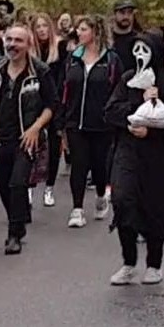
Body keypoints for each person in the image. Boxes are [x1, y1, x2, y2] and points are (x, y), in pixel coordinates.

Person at [105, 33, 164, 285]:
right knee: (122, 199)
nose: (140, 55)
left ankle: (154, 262)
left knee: (153, 207)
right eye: (136, 50)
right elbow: (109, 112)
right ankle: (129, 261)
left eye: (145, 50)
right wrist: (133, 112)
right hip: (127, 151)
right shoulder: (128, 80)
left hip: (157, 156)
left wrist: (150, 131)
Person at [0, 24, 56, 255]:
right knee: (3, 185)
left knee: (18, 182)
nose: (12, 45)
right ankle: (19, 220)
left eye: (18, 41)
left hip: (25, 138)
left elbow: (52, 105)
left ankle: (14, 235)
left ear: (28, 45)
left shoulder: (40, 71)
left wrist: (35, 128)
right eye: (9, 40)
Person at [60, 15, 122, 228]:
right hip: (75, 121)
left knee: (99, 165)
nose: (78, 32)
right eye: (78, 29)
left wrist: (114, 117)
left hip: (102, 123)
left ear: (96, 32)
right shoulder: (72, 59)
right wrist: (63, 121)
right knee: (79, 163)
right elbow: (64, 90)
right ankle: (77, 209)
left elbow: (118, 91)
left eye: (83, 29)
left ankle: (101, 195)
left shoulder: (111, 60)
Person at [30, 13, 65, 208]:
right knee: (32, 144)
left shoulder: (60, 48)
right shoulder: (30, 51)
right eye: (38, 26)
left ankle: (49, 187)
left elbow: (64, 77)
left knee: (53, 145)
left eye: (45, 26)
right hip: (35, 101)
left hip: (55, 102)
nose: (42, 30)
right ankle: (29, 186)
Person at [110, 0, 142, 75]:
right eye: (122, 12)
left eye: (129, 12)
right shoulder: (107, 40)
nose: (126, 16)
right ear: (114, 14)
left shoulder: (139, 39)